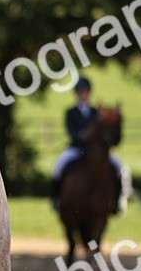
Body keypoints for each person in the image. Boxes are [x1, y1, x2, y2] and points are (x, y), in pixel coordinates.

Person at [49, 77, 125, 209]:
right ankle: (56, 199)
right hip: (76, 148)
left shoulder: (96, 112)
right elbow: (72, 131)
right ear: (76, 93)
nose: (83, 93)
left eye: (85, 90)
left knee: (119, 168)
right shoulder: (70, 112)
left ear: (89, 92)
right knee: (58, 166)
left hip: (94, 151)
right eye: (80, 91)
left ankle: (116, 202)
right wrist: (83, 136)